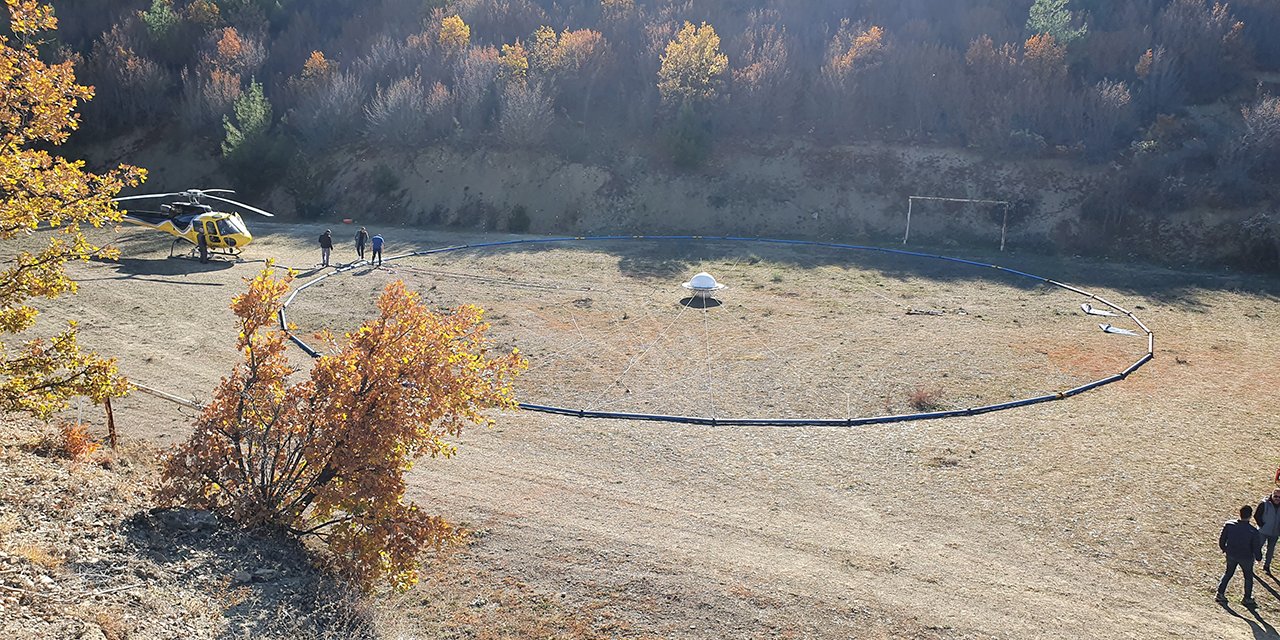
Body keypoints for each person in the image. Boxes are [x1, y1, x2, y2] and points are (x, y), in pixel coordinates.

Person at [1218, 504, 1263, 607]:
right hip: (1246, 557)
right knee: (1248, 577)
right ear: (1250, 515)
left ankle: (1220, 593)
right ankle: (1247, 598)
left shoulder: (1229, 525)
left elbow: (1222, 539)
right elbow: (1256, 547)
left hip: (1231, 554)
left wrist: (1224, 548)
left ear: (1240, 513)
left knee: (1228, 573)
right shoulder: (1253, 531)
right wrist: (1259, 557)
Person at [1256, 489, 1280, 573]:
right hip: (1262, 532)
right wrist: (1262, 526)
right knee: (1257, 548)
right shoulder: (1264, 504)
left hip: (1275, 533)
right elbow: (1257, 515)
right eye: (1275, 496)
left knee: (1270, 550)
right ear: (1272, 495)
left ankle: (1267, 566)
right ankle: (1251, 565)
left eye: (1279, 497)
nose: (1277, 498)